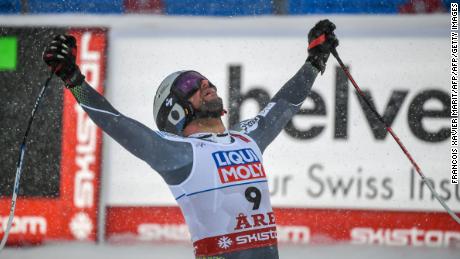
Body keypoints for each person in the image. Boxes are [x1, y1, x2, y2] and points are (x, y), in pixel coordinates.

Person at [42, 19, 338, 259]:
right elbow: (116, 123)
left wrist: (315, 60)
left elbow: (283, 104)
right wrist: (74, 80)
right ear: (174, 111)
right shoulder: (178, 153)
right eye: (190, 84)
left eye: (203, 78)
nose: (205, 83)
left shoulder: (247, 138)